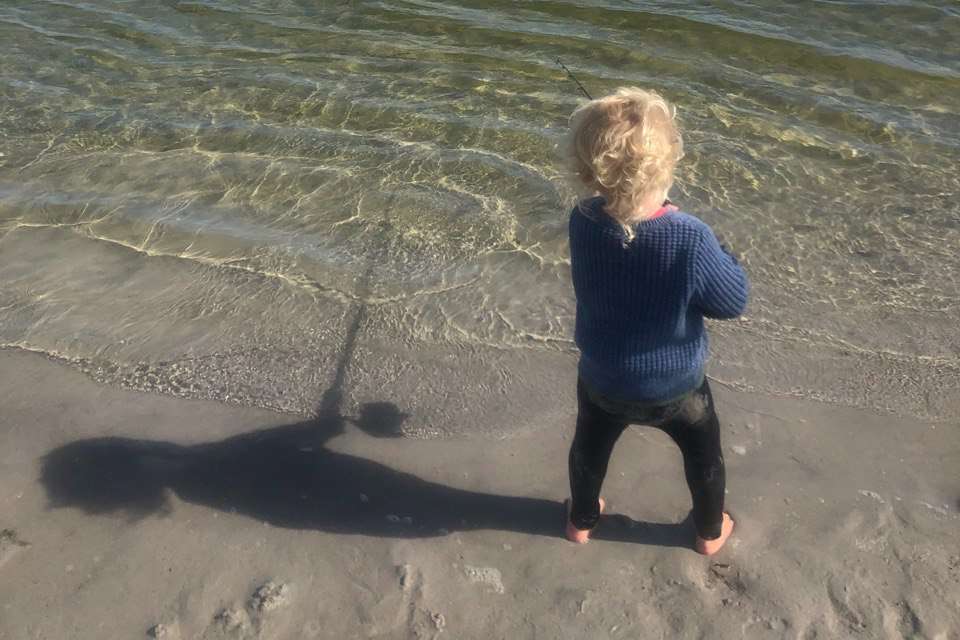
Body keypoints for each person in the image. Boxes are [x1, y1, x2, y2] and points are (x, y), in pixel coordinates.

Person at [564, 87, 748, 555]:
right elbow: (731, 301)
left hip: (603, 377)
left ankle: (582, 521)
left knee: (589, 447)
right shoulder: (689, 235)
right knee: (704, 454)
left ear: (589, 169)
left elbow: (624, 257)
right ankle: (709, 532)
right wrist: (720, 253)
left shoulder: (582, 220)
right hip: (677, 388)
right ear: (668, 165)